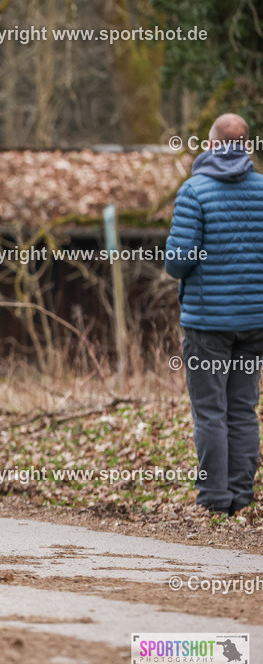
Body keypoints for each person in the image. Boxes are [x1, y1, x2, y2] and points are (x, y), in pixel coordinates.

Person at [165, 113, 263, 516]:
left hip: (207, 323)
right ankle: (242, 497)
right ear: (246, 147)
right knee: (243, 408)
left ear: (210, 145)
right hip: (255, 323)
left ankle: (214, 499)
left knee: (210, 411)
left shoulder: (195, 192)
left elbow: (178, 261)